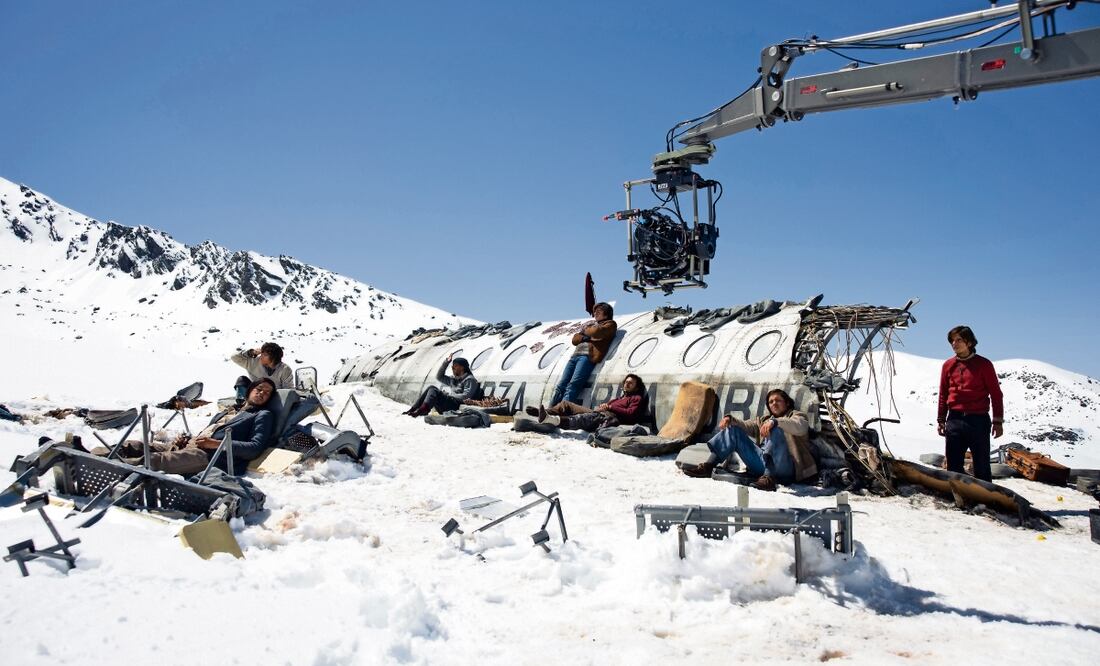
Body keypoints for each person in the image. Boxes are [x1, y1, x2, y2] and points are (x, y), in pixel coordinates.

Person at [92, 378, 277, 475]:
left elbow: (254, 449)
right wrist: (188, 440)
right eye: (258, 389)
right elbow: (211, 431)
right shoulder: (230, 410)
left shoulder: (263, 415)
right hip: (191, 447)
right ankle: (87, 454)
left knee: (157, 460)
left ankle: (98, 467)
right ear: (250, 390)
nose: (261, 394)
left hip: (210, 456)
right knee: (135, 446)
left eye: (267, 393)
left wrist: (215, 444)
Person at [701, 389, 818, 491]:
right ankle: (708, 466)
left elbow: (800, 426)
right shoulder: (764, 420)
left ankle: (769, 478)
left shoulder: (797, 416)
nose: (774, 404)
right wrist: (729, 419)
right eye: (771, 402)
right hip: (761, 464)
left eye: (778, 400)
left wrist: (776, 422)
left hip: (785, 468)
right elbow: (745, 425)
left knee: (775, 429)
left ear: (787, 403)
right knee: (734, 430)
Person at [937, 325, 1003, 482]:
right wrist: (941, 420)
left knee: (981, 466)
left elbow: (996, 394)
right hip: (954, 419)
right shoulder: (948, 365)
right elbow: (943, 394)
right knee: (953, 466)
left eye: (958, 340)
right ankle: (957, 500)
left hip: (978, 420)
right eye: (952, 341)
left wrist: (998, 421)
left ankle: (985, 503)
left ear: (969, 342)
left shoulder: (984, 365)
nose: (954, 344)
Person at [551, 301, 617, 406]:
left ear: (606, 313)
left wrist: (586, 332)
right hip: (575, 356)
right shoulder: (592, 325)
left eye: (599, 311)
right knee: (561, 384)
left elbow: (596, 332)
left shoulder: (610, 324)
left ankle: (561, 410)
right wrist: (587, 335)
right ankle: (551, 408)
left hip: (587, 357)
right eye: (595, 311)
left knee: (573, 384)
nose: (595, 313)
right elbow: (575, 339)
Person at [529, 374, 648, 432]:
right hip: (599, 413)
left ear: (636, 388)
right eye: (626, 382)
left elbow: (631, 413)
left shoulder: (636, 398)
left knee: (581, 419)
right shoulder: (619, 398)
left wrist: (610, 407)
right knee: (566, 404)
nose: (627, 384)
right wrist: (605, 406)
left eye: (630, 383)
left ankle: (551, 419)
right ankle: (543, 413)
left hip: (608, 418)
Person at [403, 354, 481, 416]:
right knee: (431, 387)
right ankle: (415, 408)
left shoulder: (470, 379)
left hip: (456, 406)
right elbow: (439, 376)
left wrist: (449, 396)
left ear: (462, 367)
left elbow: (466, 396)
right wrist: (446, 362)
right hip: (447, 405)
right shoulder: (453, 379)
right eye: (452, 366)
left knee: (433, 390)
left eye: (455, 366)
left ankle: (424, 409)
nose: (452, 368)